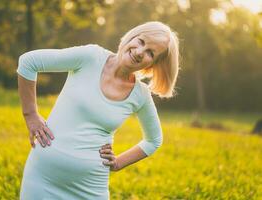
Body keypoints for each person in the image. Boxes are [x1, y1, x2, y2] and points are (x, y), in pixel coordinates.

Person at [17, 21, 180, 200]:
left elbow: (154, 140)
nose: (140, 52)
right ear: (132, 36)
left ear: (152, 64)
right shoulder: (91, 57)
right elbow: (29, 62)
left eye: (150, 53)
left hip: (90, 188)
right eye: (141, 41)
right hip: (42, 178)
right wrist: (30, 114)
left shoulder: (140, 95)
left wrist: (118, 163)